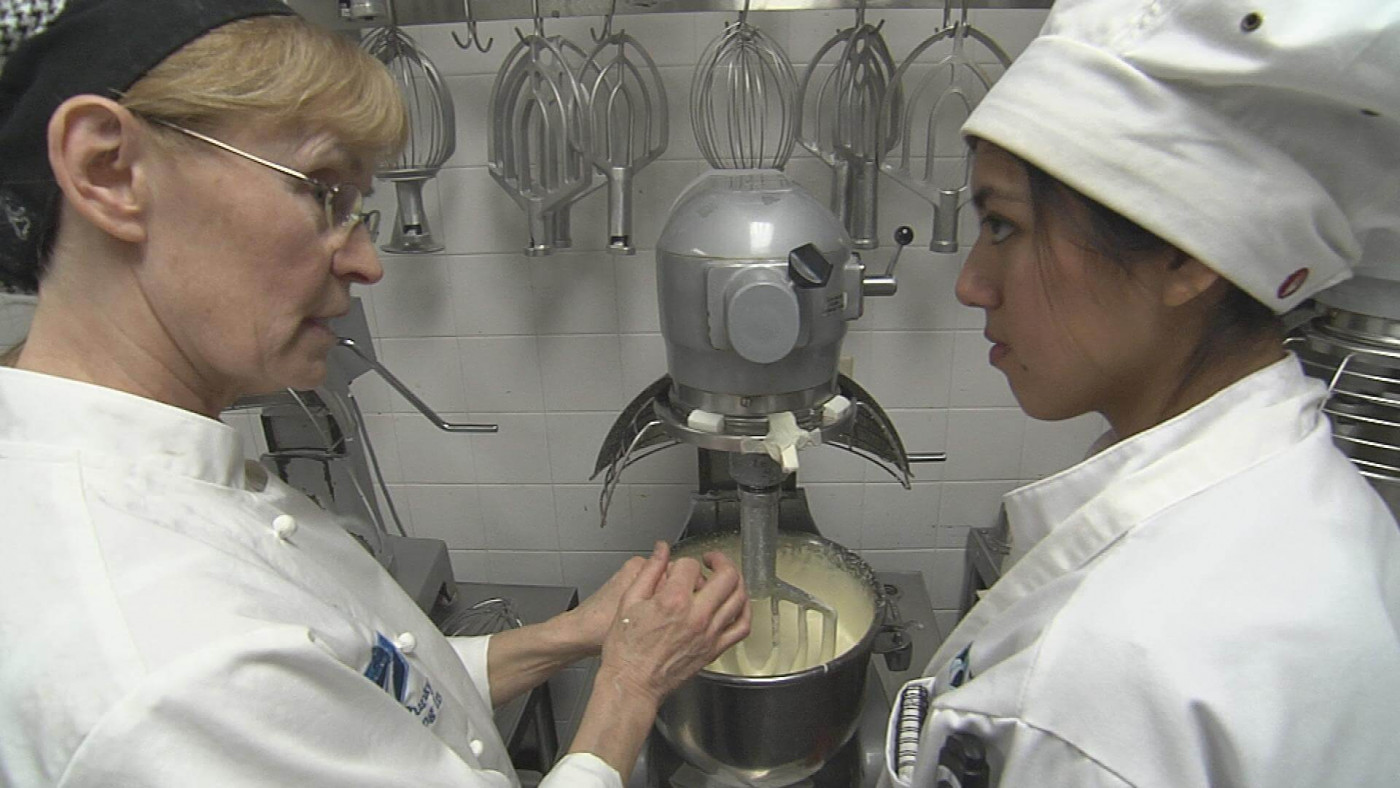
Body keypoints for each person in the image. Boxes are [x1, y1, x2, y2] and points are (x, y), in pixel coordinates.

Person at [0, 2, 749, 787]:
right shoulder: (166, 674)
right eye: (323, 191)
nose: (366, 262)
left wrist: (573, 636)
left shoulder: (165, 485)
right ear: (109, 171)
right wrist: (630, 687)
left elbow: (364, 695)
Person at [884, 1, 1400, 786]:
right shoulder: (1319, 497)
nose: (971, 286)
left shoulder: (1109, 688)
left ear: (1188, 256)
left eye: (1007, 227)